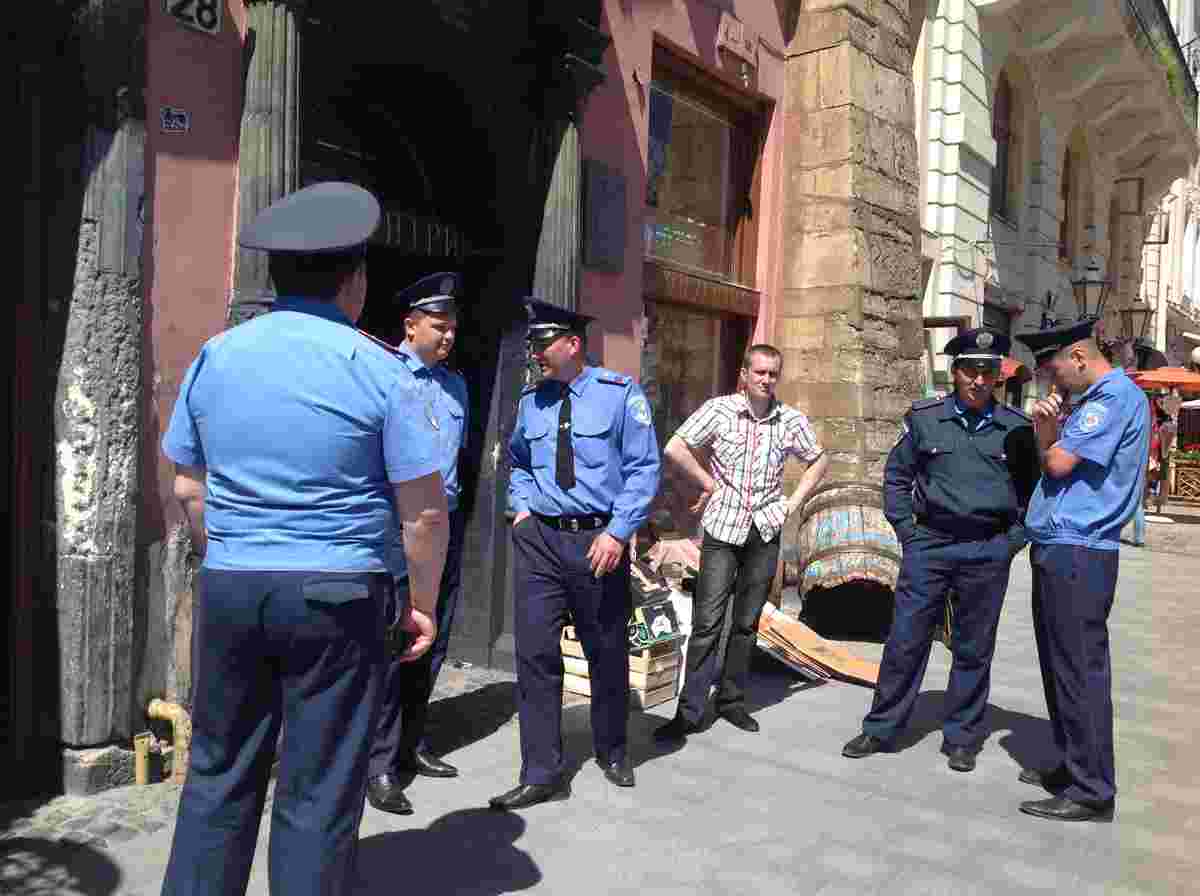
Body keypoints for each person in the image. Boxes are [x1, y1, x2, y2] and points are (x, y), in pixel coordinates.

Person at [159, 183, 449, 896]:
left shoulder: (216, 356)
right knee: (318, 787)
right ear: (354, 280)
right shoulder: (379, 369)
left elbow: (188, 488)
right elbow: (423, 514)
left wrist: (231, 555)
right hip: (337, 594)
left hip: (233, 585)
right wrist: (421, 603)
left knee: (218, 774)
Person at [490, 299, 661, 810]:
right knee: (535, 654)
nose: (536, 353)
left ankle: (612, 749)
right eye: (533, 345)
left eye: (543, 344)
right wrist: (521, 509)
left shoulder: (619, 394)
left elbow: (644, 468)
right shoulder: (531, 401)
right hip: (540, 541)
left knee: (605, 650)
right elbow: (519, 461)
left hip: (598, 541)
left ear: (572, 344)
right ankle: (541, 771)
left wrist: (618, 531)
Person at [842, 328, 1038, 772]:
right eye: (970, 370)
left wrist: (1011, 543)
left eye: (988, 372)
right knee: (905, 639)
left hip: (986, 549)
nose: (979, 381)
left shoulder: (1017, 429)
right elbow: (897, 477)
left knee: (974, 647)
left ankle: (963, 738)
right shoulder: (925, 418)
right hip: (929, 545)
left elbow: (1033, 493)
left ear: (998, 376)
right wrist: (907, 533)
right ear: (956, 372)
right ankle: (881, 727)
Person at [654, 344, 828, 742]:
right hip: (723, 528)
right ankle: (689, 711)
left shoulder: (790, 420)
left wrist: (791, 504)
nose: (766, 380)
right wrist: (709, 484)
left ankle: (731, 701)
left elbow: (818, 460)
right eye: (760, 372)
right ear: (745, 375)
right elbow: (675, 447)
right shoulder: (719, 410)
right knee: (707, 623)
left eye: (773, 374)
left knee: (746, 623)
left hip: (764, 530)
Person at [1014, 317, 1149, 822]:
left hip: (1079, 550)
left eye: (1054, 371)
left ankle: (1091, 789)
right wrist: (1050, 432)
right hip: (1063, 545)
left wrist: (1046, 430)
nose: (1052, 382)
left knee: (1078, 671)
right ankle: (1074, 765)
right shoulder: (1096, 400)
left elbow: (1057, 465)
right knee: (1060, 666)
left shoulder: (1111, 399)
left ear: (1077, 357)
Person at [367, 272, 470, 814]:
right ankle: (379, 764)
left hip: (444, 525)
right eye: (438, 326)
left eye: (453, 327)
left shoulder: (457, 387)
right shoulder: (383, 376)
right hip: (396, 529)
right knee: (393, 644)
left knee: (434, 640)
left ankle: (413, 741)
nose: (449, 335)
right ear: (410, 326)